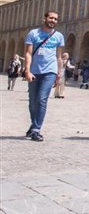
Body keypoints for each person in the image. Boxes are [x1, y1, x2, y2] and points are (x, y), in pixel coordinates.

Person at [24, 11, 65, 142]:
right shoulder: (33, 34)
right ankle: (34, 124)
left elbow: (59, 57)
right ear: (45, 18)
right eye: (51, 18)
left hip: (50, 72)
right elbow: (28, 53)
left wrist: (59, 74)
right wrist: (27, 71)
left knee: (42, 99)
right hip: (34, 72)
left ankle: (36, 129)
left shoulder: (59, 36)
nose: (53, 20)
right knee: (32, 101)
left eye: (56, 19)